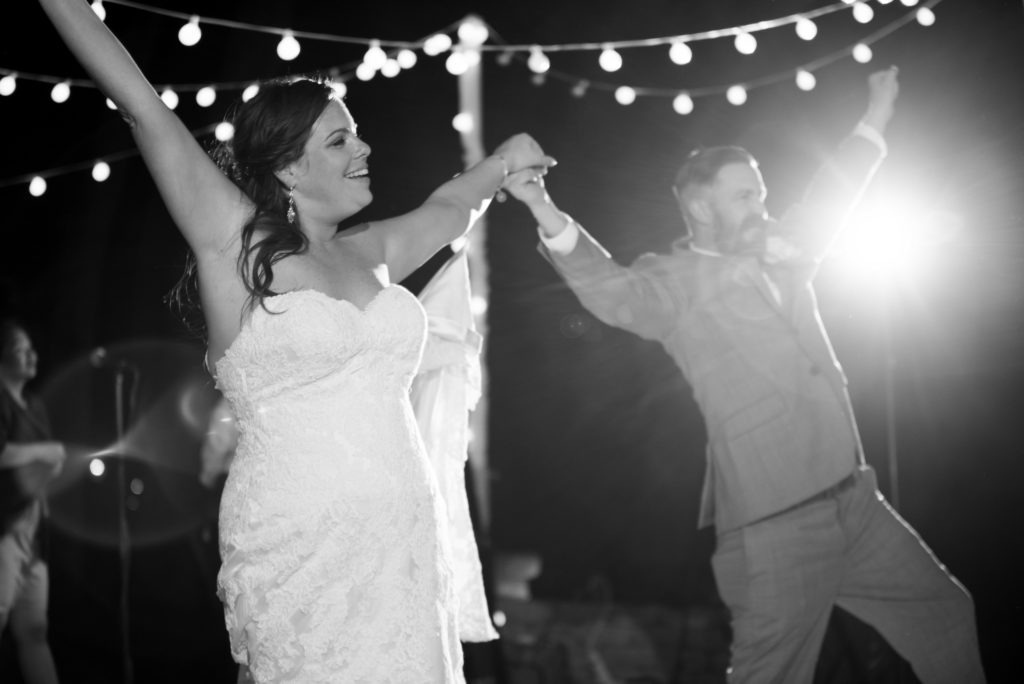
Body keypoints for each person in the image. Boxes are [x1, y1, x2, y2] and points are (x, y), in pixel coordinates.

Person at [38, 1, 554, 682]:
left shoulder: (374, 252)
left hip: (403, 541)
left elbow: (452, 206)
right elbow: (143, 110)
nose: (363, 148)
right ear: (287, 167)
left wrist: (505, 160)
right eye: (339, 141)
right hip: (298, 543)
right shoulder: (235, 245)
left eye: (357, 134)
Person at [506, 67, 986, 683]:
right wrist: (541, 204)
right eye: (744, 196)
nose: (760, 205)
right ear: (701, 206)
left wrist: (877, 115)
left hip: (857, 504)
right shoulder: (674, 284)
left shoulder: (782, 249)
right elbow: (614, 293)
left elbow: (834, 193)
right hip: (777, 528)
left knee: (945, 613)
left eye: (760, 193)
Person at [0, 319, 65, 684]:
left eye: (31, 348)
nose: (31, 354)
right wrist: (43, 451)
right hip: (4, 528)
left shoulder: (35, 406)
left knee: (35, 631)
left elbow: (38, 465)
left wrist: (51, 466)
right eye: (21, 347)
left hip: (33, 531)